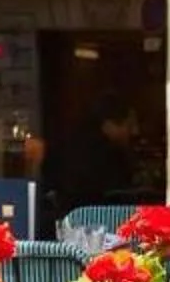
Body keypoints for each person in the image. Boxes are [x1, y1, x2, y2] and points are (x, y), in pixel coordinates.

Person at [42, 93, 139, 225]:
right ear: (109, 124)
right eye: (129, 126)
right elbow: (118, 191)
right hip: (99, 223)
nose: (134, 132)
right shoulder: (107, 153)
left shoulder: (71, 143)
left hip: (68, 220)